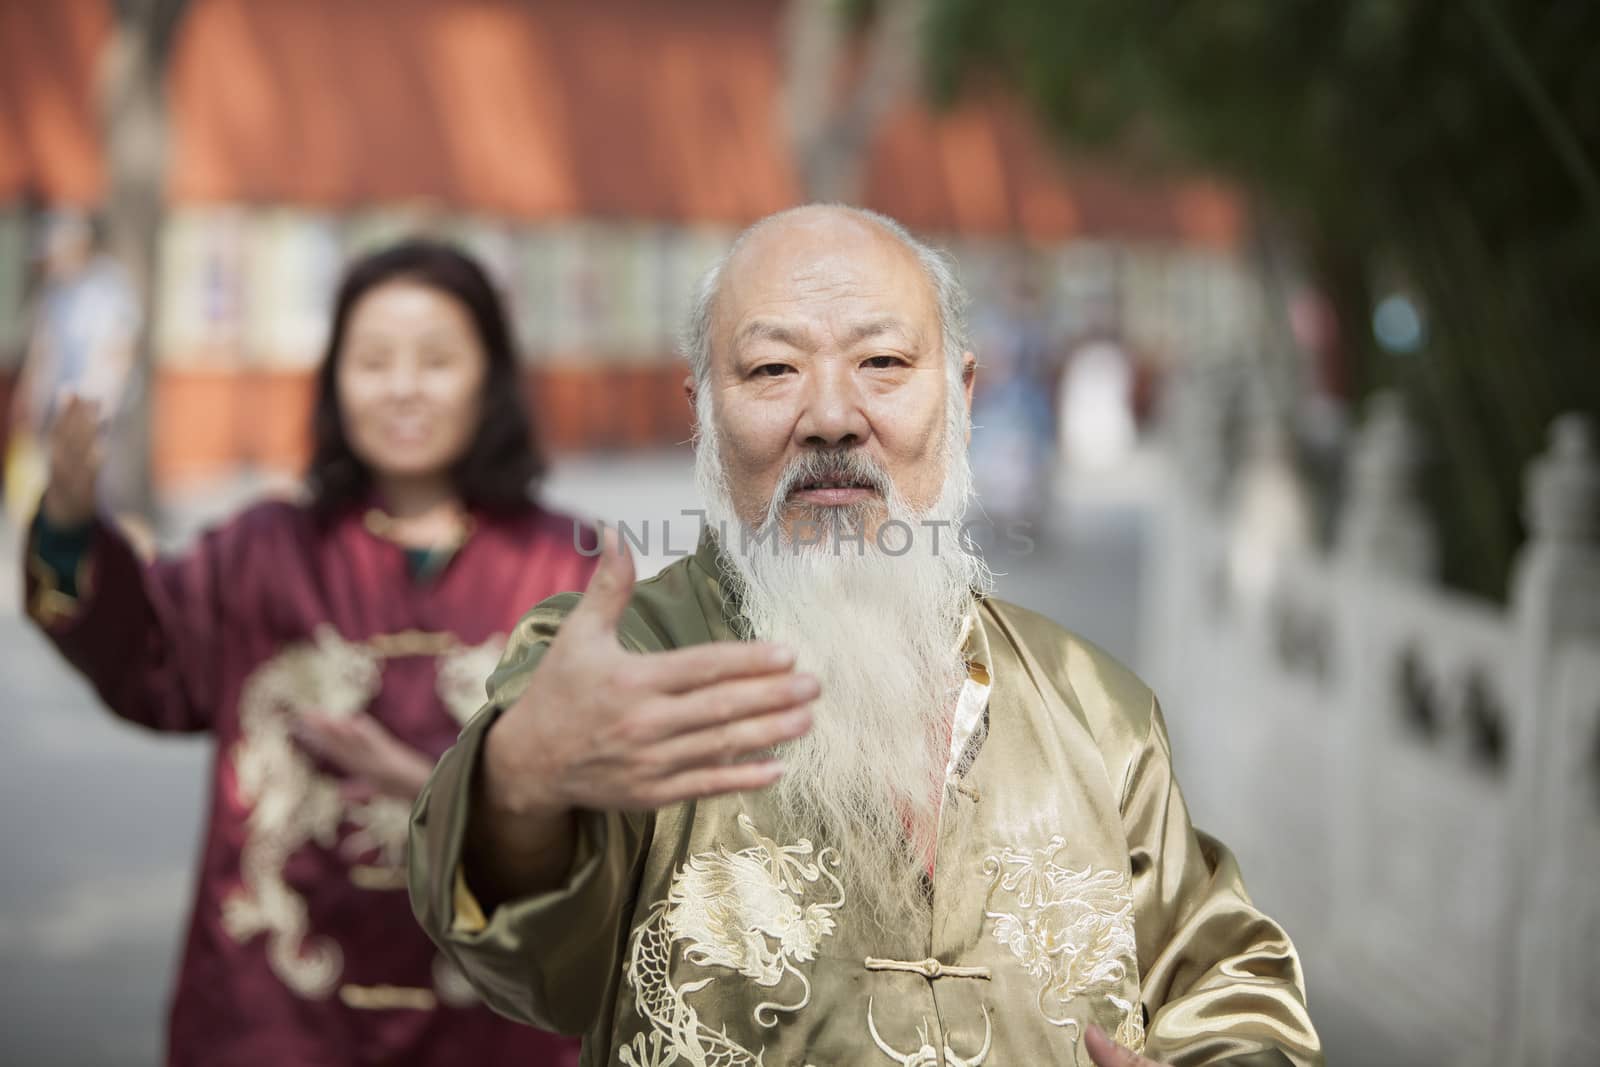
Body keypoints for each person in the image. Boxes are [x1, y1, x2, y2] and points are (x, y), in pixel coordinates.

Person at [409, 206, 1324, 1067]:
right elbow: (520, 960)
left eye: (883, 363)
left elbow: (1225, 974)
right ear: (702, 409)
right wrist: (521, 779)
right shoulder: (624, 666)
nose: (834, 417)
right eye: (773, 371)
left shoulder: (1094, 708)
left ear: (960, 392)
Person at [24, 240, 593, 1067]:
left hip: (496, 1021)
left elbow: (606, 804)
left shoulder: (563, 565)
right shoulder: (263, 550)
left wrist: (434, 789)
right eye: (372, 360)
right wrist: (71, 530)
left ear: (490, 375)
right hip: (273, 1014)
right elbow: (149, 653)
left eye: (436, 360)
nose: (402, 386)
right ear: (335, 379)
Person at [6, 211, 140, 526]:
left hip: (98, 412)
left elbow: (119, 350)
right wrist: (31, 397)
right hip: (61, 410)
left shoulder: (110, 289)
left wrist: (100, 403)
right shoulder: (56, 294)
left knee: (99, 490)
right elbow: (44, 350)